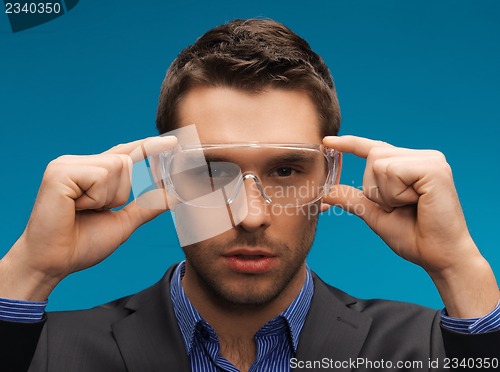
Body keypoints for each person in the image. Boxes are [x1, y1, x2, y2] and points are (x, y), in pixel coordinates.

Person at [1, 18, 499, 372]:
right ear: (165, 176)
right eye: (212, 172)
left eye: (286, 170)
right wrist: (30, 269)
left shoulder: (432, 351)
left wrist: (459, 267)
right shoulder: (42, 350)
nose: (252, 216)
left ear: (330, 177)